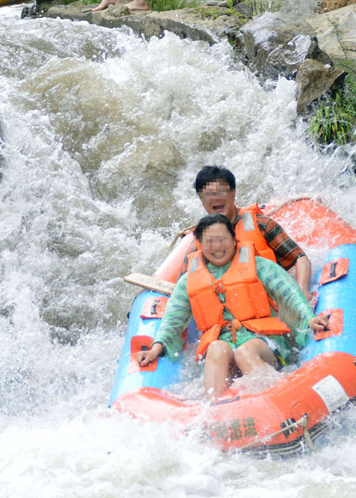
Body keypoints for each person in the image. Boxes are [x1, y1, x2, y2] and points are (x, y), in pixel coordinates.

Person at [137, 214, 329, 399]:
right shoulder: (188, 281)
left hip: (263, 342)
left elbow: (290, 293)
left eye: (223, 239)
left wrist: (309, 317)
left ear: (234, 240)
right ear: (200, 245)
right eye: (210, 241)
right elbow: (173, 320)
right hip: (224, 346)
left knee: (246, 351)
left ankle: (279, 400)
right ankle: (216, 412)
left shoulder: (259, 265)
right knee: (216, 348)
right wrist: (156, 348)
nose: (217, 246)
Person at [184, 165, 313, 299]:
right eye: (209, 194)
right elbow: (182, 287)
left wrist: (302, 289)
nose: (216, 198)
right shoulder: (198, 244)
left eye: (222, 191)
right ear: (202, 200)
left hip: (270, 305)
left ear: (233, 193)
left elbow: (300, 257)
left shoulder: (262, 225)